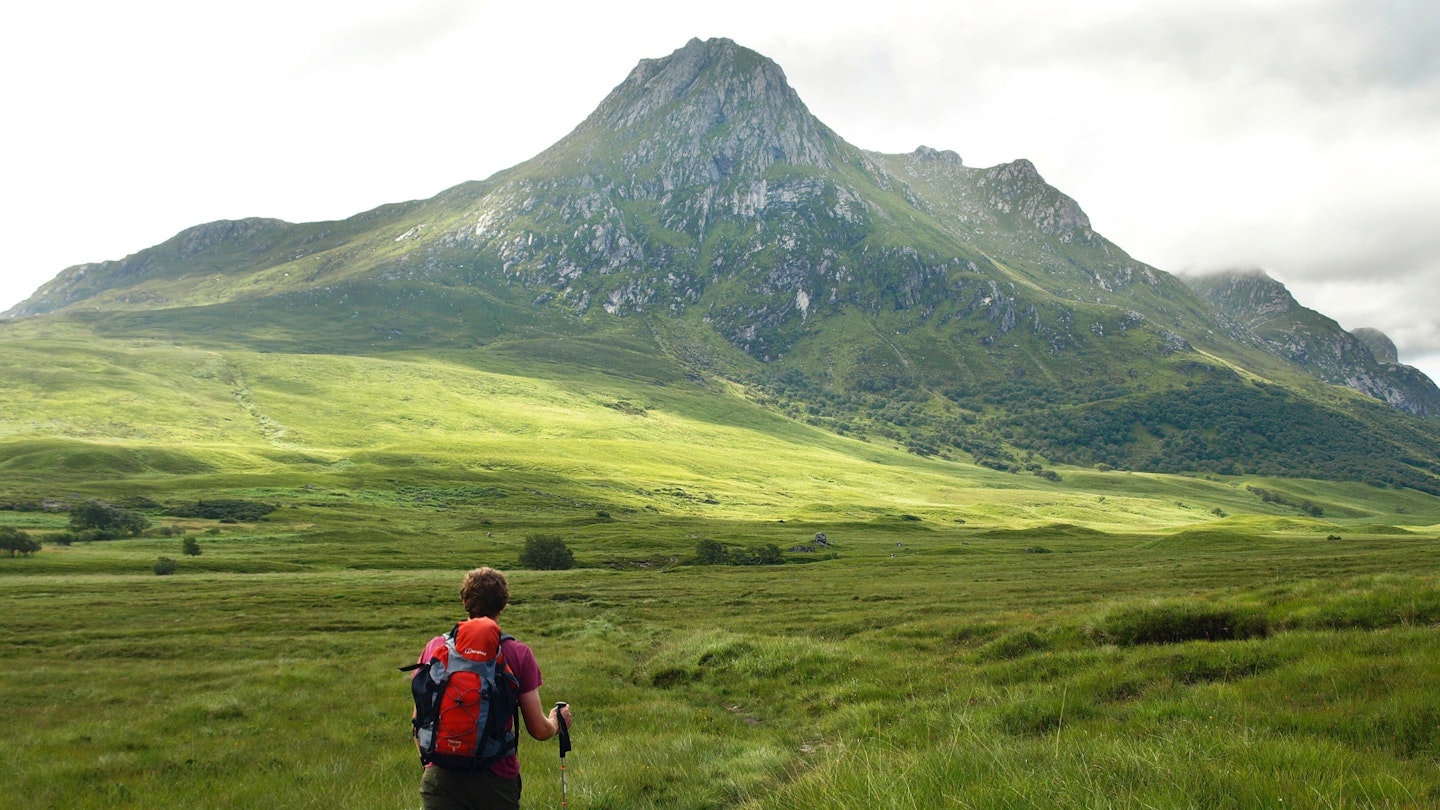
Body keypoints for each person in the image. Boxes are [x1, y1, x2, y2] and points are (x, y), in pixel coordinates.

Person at [414, 566, 573, 810]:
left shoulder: (435, 648)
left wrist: (433, 760)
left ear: (465, 600)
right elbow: (539, 730)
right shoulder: (518, 653)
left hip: (440, 776)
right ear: (503, 604)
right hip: (496, 778)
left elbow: (418, 720)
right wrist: (557, 721)